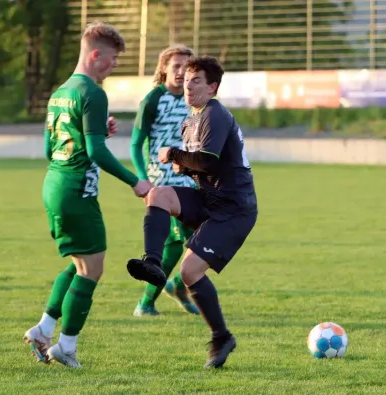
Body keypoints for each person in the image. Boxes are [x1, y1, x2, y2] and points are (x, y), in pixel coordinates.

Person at [23, 22, 152, 369]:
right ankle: (65, 347)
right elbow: (94, 152)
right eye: (111, 61)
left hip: (56, 185)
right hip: (77, 191)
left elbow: (52, 148)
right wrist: (134, 180)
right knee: (91, 269)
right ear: (96, 55)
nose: (112, 68)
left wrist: (95, 136)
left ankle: (44, 329)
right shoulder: (93, 93)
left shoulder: (61, 91)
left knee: (81, 263)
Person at [126, 56, 258, 369]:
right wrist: (183, 165)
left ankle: (221, 336)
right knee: (158, 195)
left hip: (233, 209)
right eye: (186, 78)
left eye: (196, 79)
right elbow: (204, 167)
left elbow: (210, 162)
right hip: (209, 198)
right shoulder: (190, 121)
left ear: (212, 87)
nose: (188, 84)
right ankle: (153, 264)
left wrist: (173, 154)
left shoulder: (214, 113)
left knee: (189, 272)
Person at [130, 45, 201, 317]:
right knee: (173, 241)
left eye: (187, 67)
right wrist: (144, 179)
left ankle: (178, 286)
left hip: (190, 179)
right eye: (176, 66)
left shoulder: (193, 99)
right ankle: (146, 303)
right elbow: (136, 144)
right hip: (163, 181)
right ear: (164, 69)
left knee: (205, 236)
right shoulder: (153, 100)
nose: (182, 72)